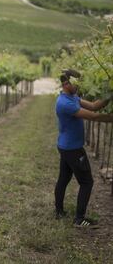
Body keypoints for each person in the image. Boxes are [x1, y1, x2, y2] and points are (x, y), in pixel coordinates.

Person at [54, 69, 113, 228]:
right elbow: (93, 116)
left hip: (66, 146)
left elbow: (94, 106)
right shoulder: (64, 103)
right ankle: (79, 220)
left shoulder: (72, 97)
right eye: (77, 84)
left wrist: (109, 95)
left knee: (64, 178)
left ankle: (58, 211)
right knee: (87, 181)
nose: (79, 88)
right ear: (66, 84)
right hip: (73, 148)